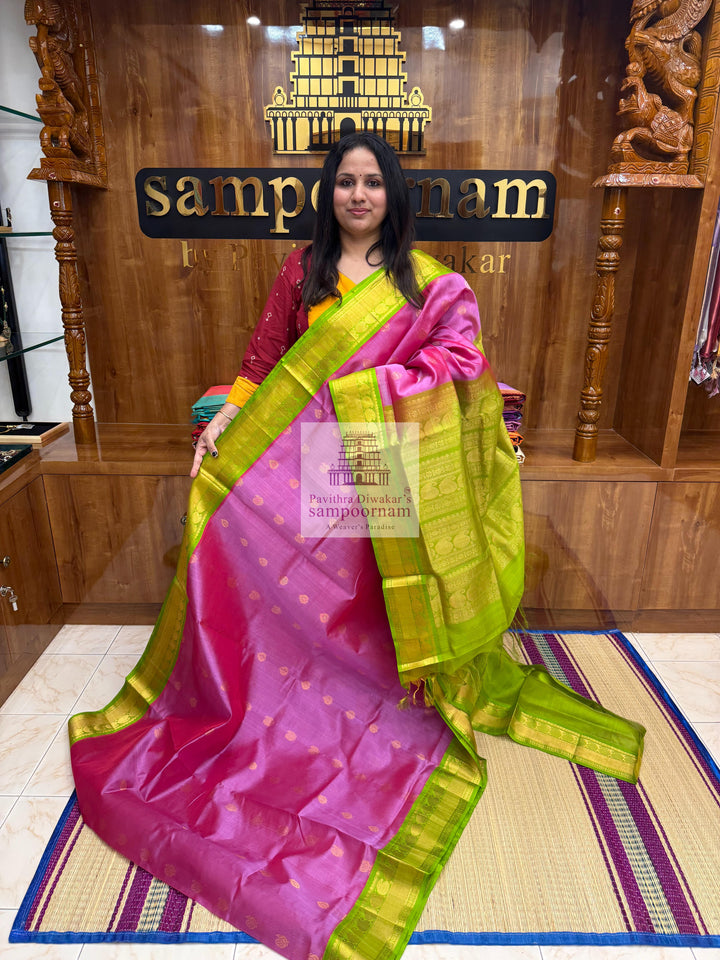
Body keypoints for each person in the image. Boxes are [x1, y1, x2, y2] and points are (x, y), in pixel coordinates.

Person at [70, 133, 645, 960]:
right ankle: (273, 696)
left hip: (381, 457)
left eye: (373, 182)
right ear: (329, 192)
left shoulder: (429, 282)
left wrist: (370, 389)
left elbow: (460, 362)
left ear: (393, 193)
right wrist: (229, 420)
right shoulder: (300, 273)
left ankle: (379, 697)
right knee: (276, 573)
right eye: (346, 181)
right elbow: (264, 363)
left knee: (373, 600)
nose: (359, 194)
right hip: (305, 457)